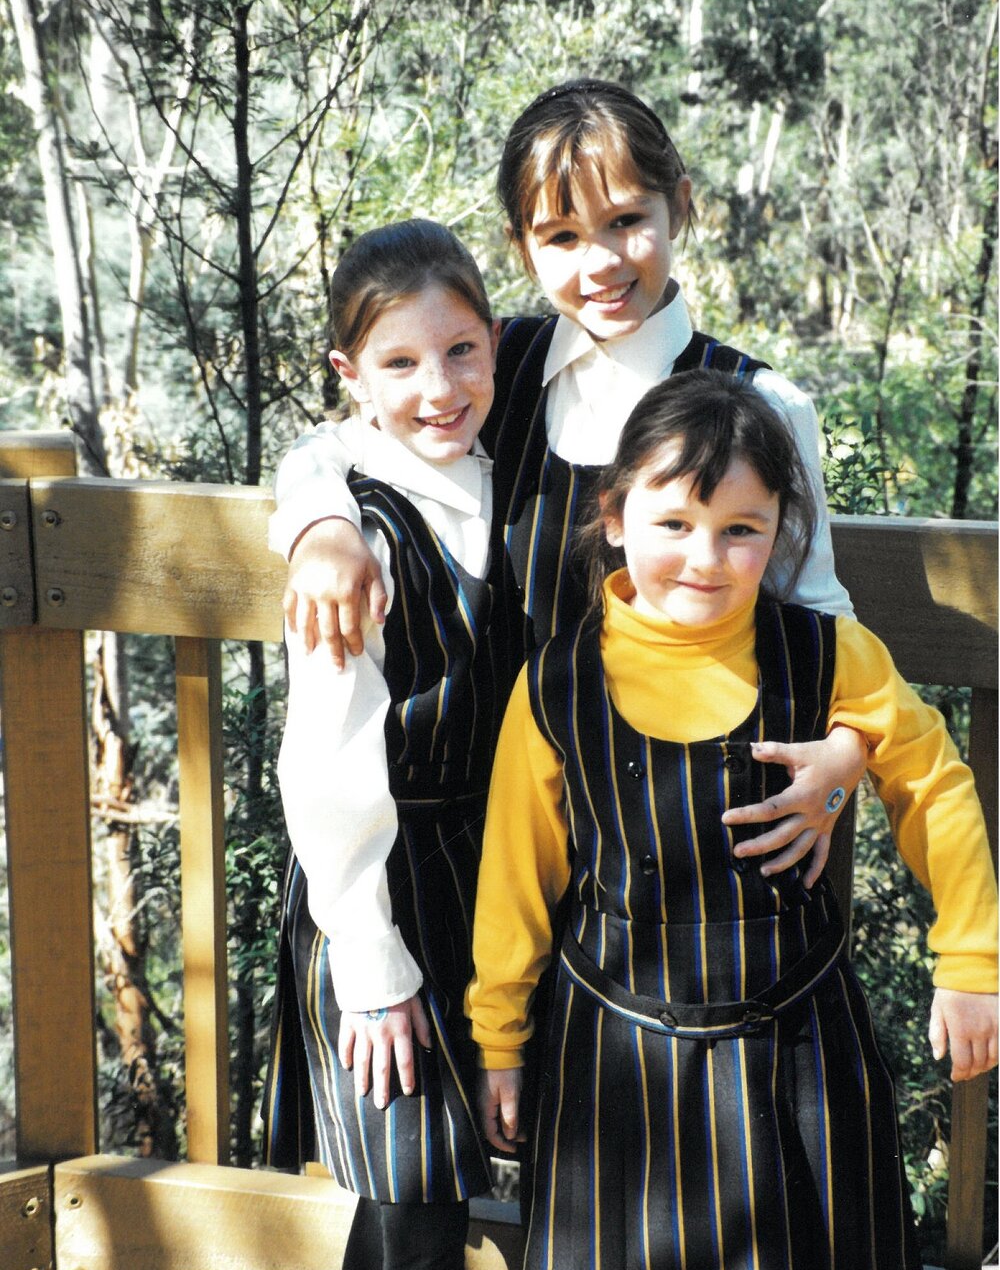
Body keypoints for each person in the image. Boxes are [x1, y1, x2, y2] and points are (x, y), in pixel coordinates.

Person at [466, 370, 999, 1270]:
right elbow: (514, 881)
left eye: (741, 529)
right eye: (673, 521)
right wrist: (496, 1043)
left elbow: (936, 785)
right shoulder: (557, 680)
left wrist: (970, 960)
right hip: (610, 1053)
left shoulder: (826, 651)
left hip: (792, 1046)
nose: (706, 558)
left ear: (781, 531)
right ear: (614, 519)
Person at [270, 77, 867, 894]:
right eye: (561, 236)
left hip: (693, 850)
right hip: (514, 846)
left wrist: (844, 756)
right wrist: (321, 529)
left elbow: (824, 621)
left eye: (626, 221)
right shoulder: (493, 370)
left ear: (678, 206)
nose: (601, 263)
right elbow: (333, 442)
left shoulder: (758, 404)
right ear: (523, 249)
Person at [262, 218, 504, 1270]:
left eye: (461, 351)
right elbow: (324, 760)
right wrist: (369, 959)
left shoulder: (498, 475)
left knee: (410, 1189)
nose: (438, 386)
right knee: (417, 1220)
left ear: (496, 345)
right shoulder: (358, 532)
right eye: (399, 364)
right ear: (349, 377)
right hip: (381, 895)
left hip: (483, 878)